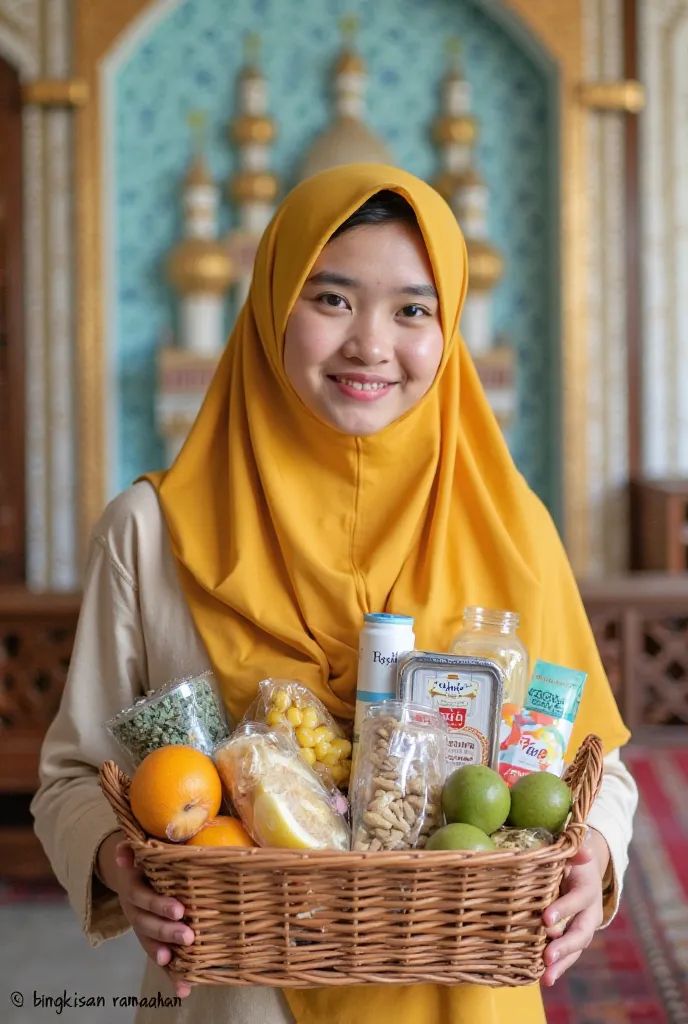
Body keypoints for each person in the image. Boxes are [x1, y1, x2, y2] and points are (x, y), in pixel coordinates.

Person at [32, 164, 638, 1024]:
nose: (371, 345)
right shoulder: (150, 530)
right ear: (273, 301)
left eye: (413, 310)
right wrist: (112, 863)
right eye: (332, 299)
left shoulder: (512, 525)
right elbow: (68, 775)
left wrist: (596, 858)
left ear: (450, 327)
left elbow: (595, 766)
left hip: (463, 995)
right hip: (241, 996)